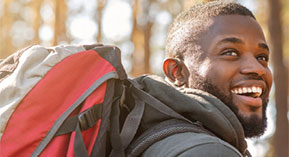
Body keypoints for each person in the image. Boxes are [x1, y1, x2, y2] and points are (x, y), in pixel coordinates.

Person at [130, 1, 272, 157]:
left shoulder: (156, 142)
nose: (258, 68)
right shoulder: (211, 151)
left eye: (262, 57)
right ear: (176, 72)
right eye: (230, 53)